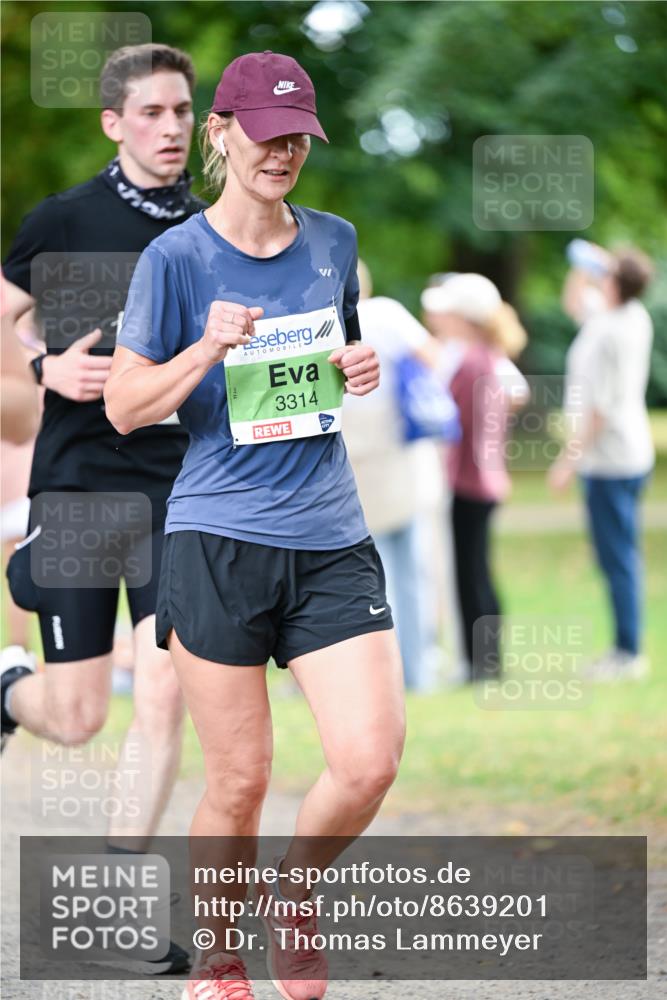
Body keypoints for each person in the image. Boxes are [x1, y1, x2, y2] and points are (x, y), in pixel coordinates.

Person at [105, 50, 404, 1000]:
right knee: (239, 781)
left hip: (328, 532)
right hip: (218, 537)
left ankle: (297, 896)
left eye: (297, 138)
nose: (281, 153)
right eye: (264, 134)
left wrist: (360, 370)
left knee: (366, 761)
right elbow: (123, 406)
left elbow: (332, 361)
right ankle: (221, 955)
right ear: (220, 134)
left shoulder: (334, 242)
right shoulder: (176, 258)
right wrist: (204, 346)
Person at [1, 43, 207, 974]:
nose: (171, 129)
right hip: (80, 483)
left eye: (183, 112)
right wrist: (43, 368)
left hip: (179, 485)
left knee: (166, 681)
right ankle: (8, 689)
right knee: (79, 716)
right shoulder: (61, 219)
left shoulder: (210, 231)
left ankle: (120, 909)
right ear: (113, 123)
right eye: (153, 113)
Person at [343, 259, 451, 691]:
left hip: (355, 461)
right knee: (413, 570)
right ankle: (418, 669)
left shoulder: (322, 326)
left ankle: (382, 674)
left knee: (374, 574)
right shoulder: (387, 314)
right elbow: (434, 358)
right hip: (401, 456)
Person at [549, 246, 655, 681]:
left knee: (618, 558)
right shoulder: (627, 317)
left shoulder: (612, 332)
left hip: (610, 460)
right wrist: (581, 268)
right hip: (630, 452)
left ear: (614, 282)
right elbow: (574, 303)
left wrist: (567, 461)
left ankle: (628, 652)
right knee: (617, 554)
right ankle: (625, 647)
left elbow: (600, 410)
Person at [421, 274, 528, 682]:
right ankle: (484, 660)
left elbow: (455, 425)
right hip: (483, 480)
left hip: (468, 482)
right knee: (478, 569)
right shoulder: (487, 358)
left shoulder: (470, 363)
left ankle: (480, 663)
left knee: (471, 573)